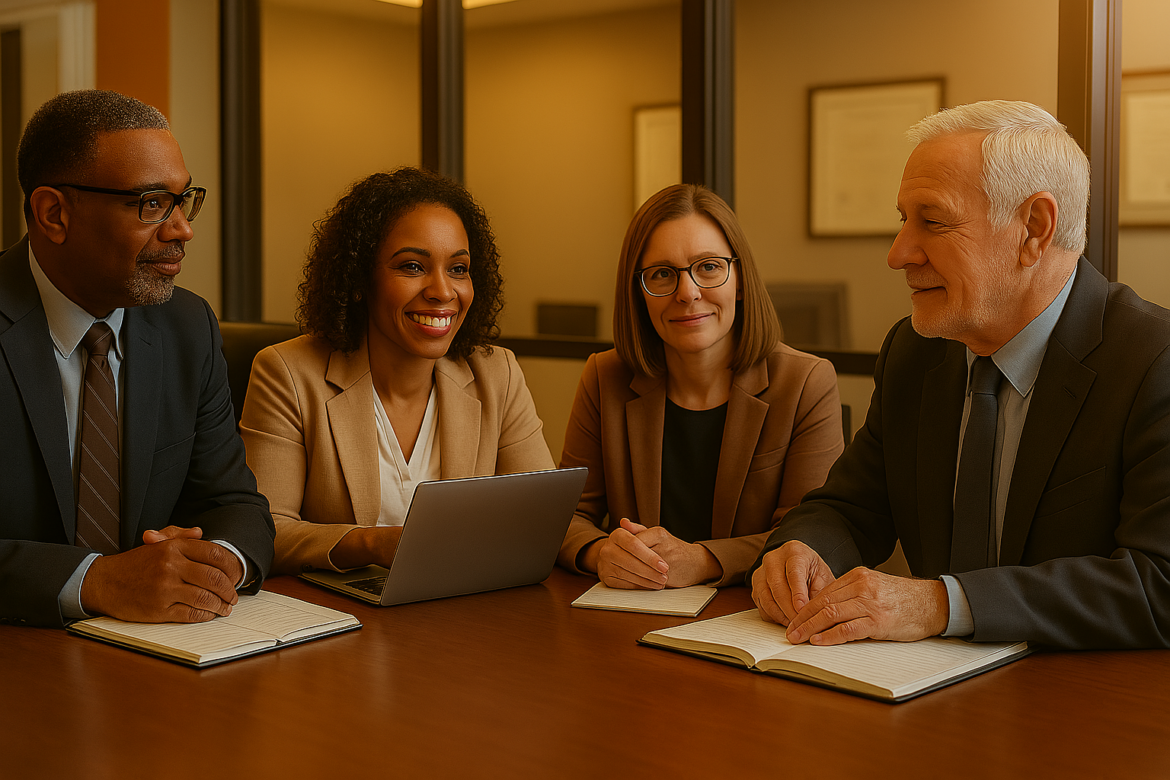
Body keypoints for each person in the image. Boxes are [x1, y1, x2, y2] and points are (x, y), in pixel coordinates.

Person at [750, 100, 1170, 650]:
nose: (898, 254)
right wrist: (802, 549)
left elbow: (1158, 584)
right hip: (923, 694)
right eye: (903, 220)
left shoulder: (1153, 360)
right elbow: (850, 507)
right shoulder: (915, 351)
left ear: (1034, 229)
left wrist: (939, 603)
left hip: (1086, 708)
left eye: (933, 221)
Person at [0, 90, 274, 628]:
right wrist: (96, 580)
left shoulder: (187, 326)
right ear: (54, 213)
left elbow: (235, 507)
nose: (182, 229)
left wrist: (211, 565)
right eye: (151, 204)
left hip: (155, 655)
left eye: (184, 200)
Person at [240, 167, 554, 575]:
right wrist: (372, 543)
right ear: (359, 279)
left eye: (458, 269)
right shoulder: (288, 373)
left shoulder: (498, 373)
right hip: (342, 619)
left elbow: (544, 517)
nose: (442, 291)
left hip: (463, 611)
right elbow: (267, 529)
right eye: (412, 266)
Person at [557, 184, 844, 589]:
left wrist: (705, 559)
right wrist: (600, 552)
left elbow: (813, 535)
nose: (687, 292)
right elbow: (565, 517)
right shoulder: (605, 376)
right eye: (661, 274)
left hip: (751, 617)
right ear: (639, 294)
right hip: (632, 612)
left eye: (708, 267)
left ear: (739, 280)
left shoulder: (805, 382)